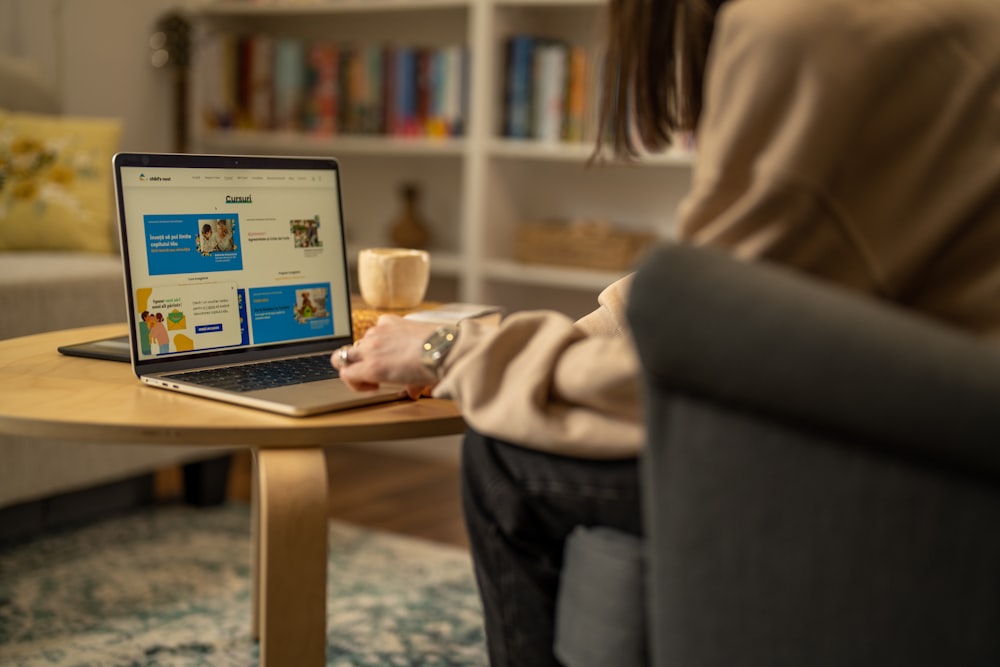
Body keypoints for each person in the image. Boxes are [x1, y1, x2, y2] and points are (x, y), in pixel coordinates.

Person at [332, 0, 1000, 664]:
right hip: (946, 413)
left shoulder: (799, 27)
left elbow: (705, 359)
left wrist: (452, 348)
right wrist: (567, 339)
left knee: (504, 454)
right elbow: (741, 280)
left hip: (910, 463)